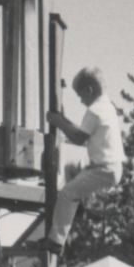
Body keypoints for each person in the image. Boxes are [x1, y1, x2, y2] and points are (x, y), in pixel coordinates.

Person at [39, 67, 124, 254]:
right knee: (71, 170)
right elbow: (82, 130)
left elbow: (79, 138)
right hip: (106, 168)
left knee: (68, 193)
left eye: (81, 95)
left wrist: (58, 122)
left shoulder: (95, 110)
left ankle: (55, 242)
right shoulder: (107, 106)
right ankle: (78, 209)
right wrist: (62, 119)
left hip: (103, 169)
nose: (81, 100)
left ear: (90, 90)